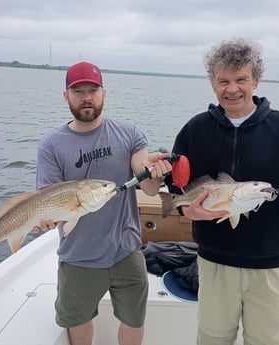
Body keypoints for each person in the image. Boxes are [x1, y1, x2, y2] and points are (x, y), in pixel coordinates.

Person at [164, 38, 279, 345]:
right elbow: (177, 185)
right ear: (213, 83)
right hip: (213, 263)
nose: (232, 89)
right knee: (211, 339)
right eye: (223, 81)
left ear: (256, 80)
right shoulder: (195, 130)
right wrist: (185, 210)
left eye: (241, 80)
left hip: (269, 266)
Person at [34, 61, 172, 345]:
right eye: (78, 90)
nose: (86, 97)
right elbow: (47, 198)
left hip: (126, 250)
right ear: (66, 96)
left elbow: (145, 184)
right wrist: (45, 218)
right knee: (79, 322)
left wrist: (152, 171)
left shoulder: (129, 134)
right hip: (78, 255)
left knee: (134, 320)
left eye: (93, 90)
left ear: (104, 94)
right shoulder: (51, 145)